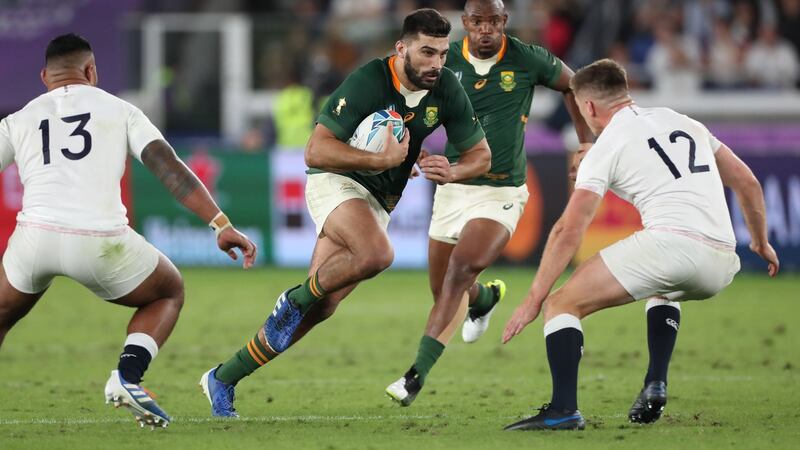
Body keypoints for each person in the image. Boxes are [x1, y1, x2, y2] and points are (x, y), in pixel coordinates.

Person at [199, 9, 491, 417]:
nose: (436, 63)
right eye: (427, 52)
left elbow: (482, 155)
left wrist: (454, 169)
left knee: (321, 308)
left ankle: (223, 378)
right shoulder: (369, 80)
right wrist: (379, 161)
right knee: (377, 255)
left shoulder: (445, 88)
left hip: (379, 202)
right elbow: (315, 150)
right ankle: (293, 298)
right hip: (335, 181)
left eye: (443, 54)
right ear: (401, 47)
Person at [501, 58, 779, 431]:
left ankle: (563, 410)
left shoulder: (608, 143)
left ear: (588, 107)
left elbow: (569, 227)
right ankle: (655, 382)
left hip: (672, 245)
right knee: (662, 289)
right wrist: (760, 241)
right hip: (722, 259)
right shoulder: (682, 121)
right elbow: (747, 183)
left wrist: (534, 298)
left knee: (561, 303)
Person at [0, 34, 257, 428]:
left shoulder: (17, 120)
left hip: (35, 239)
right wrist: (220, 223)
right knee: (168, 291)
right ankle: (127, 377)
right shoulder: (120, 110)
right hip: (100, 241)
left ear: (43, 77)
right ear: (91, 71)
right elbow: (167, 167)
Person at [385, 0, 593, 407]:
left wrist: (586, 142)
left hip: (502, 191)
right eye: (477, 22)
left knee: (459, 271)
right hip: (454, 186)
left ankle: (415, 376)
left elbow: (573, 84)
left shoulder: (527, 58)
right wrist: (412, 152)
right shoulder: (442, 64)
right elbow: (413, 107)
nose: (485, 30)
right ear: (465, 24)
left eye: (493, 22)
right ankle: (484, 300)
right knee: (445, 289)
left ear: (503, 22)